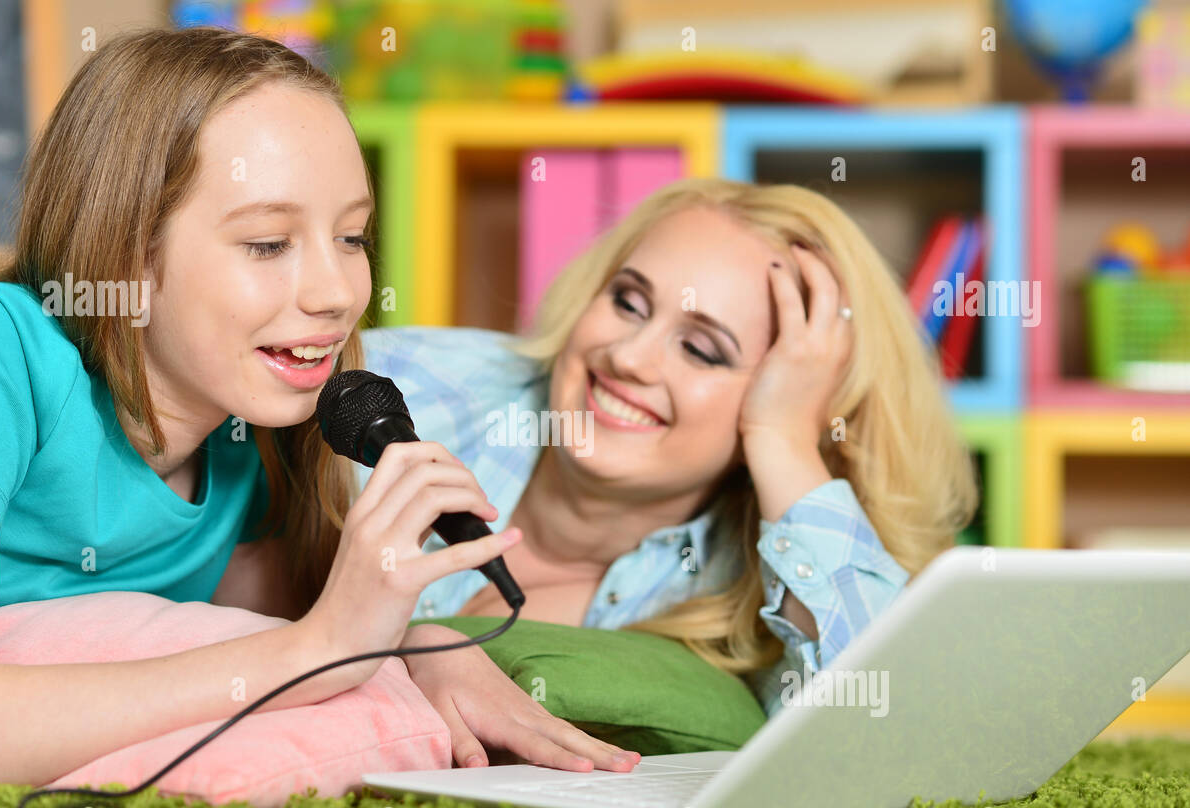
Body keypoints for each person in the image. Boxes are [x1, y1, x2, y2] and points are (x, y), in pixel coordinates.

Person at [0, 28, 633, 797]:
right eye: (269, 243)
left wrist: (411, 646)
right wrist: (319, 649)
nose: (338, 292)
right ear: (122, 254)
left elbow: (241, 661)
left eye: (351, 236)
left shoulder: (254, 433)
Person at [351, 178, 979, 765]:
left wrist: (785, 441)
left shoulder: (758, 577)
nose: (628, 358)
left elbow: (898, 739)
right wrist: (400, 662)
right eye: (628, 302)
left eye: (702, 349)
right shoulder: (406, 384)